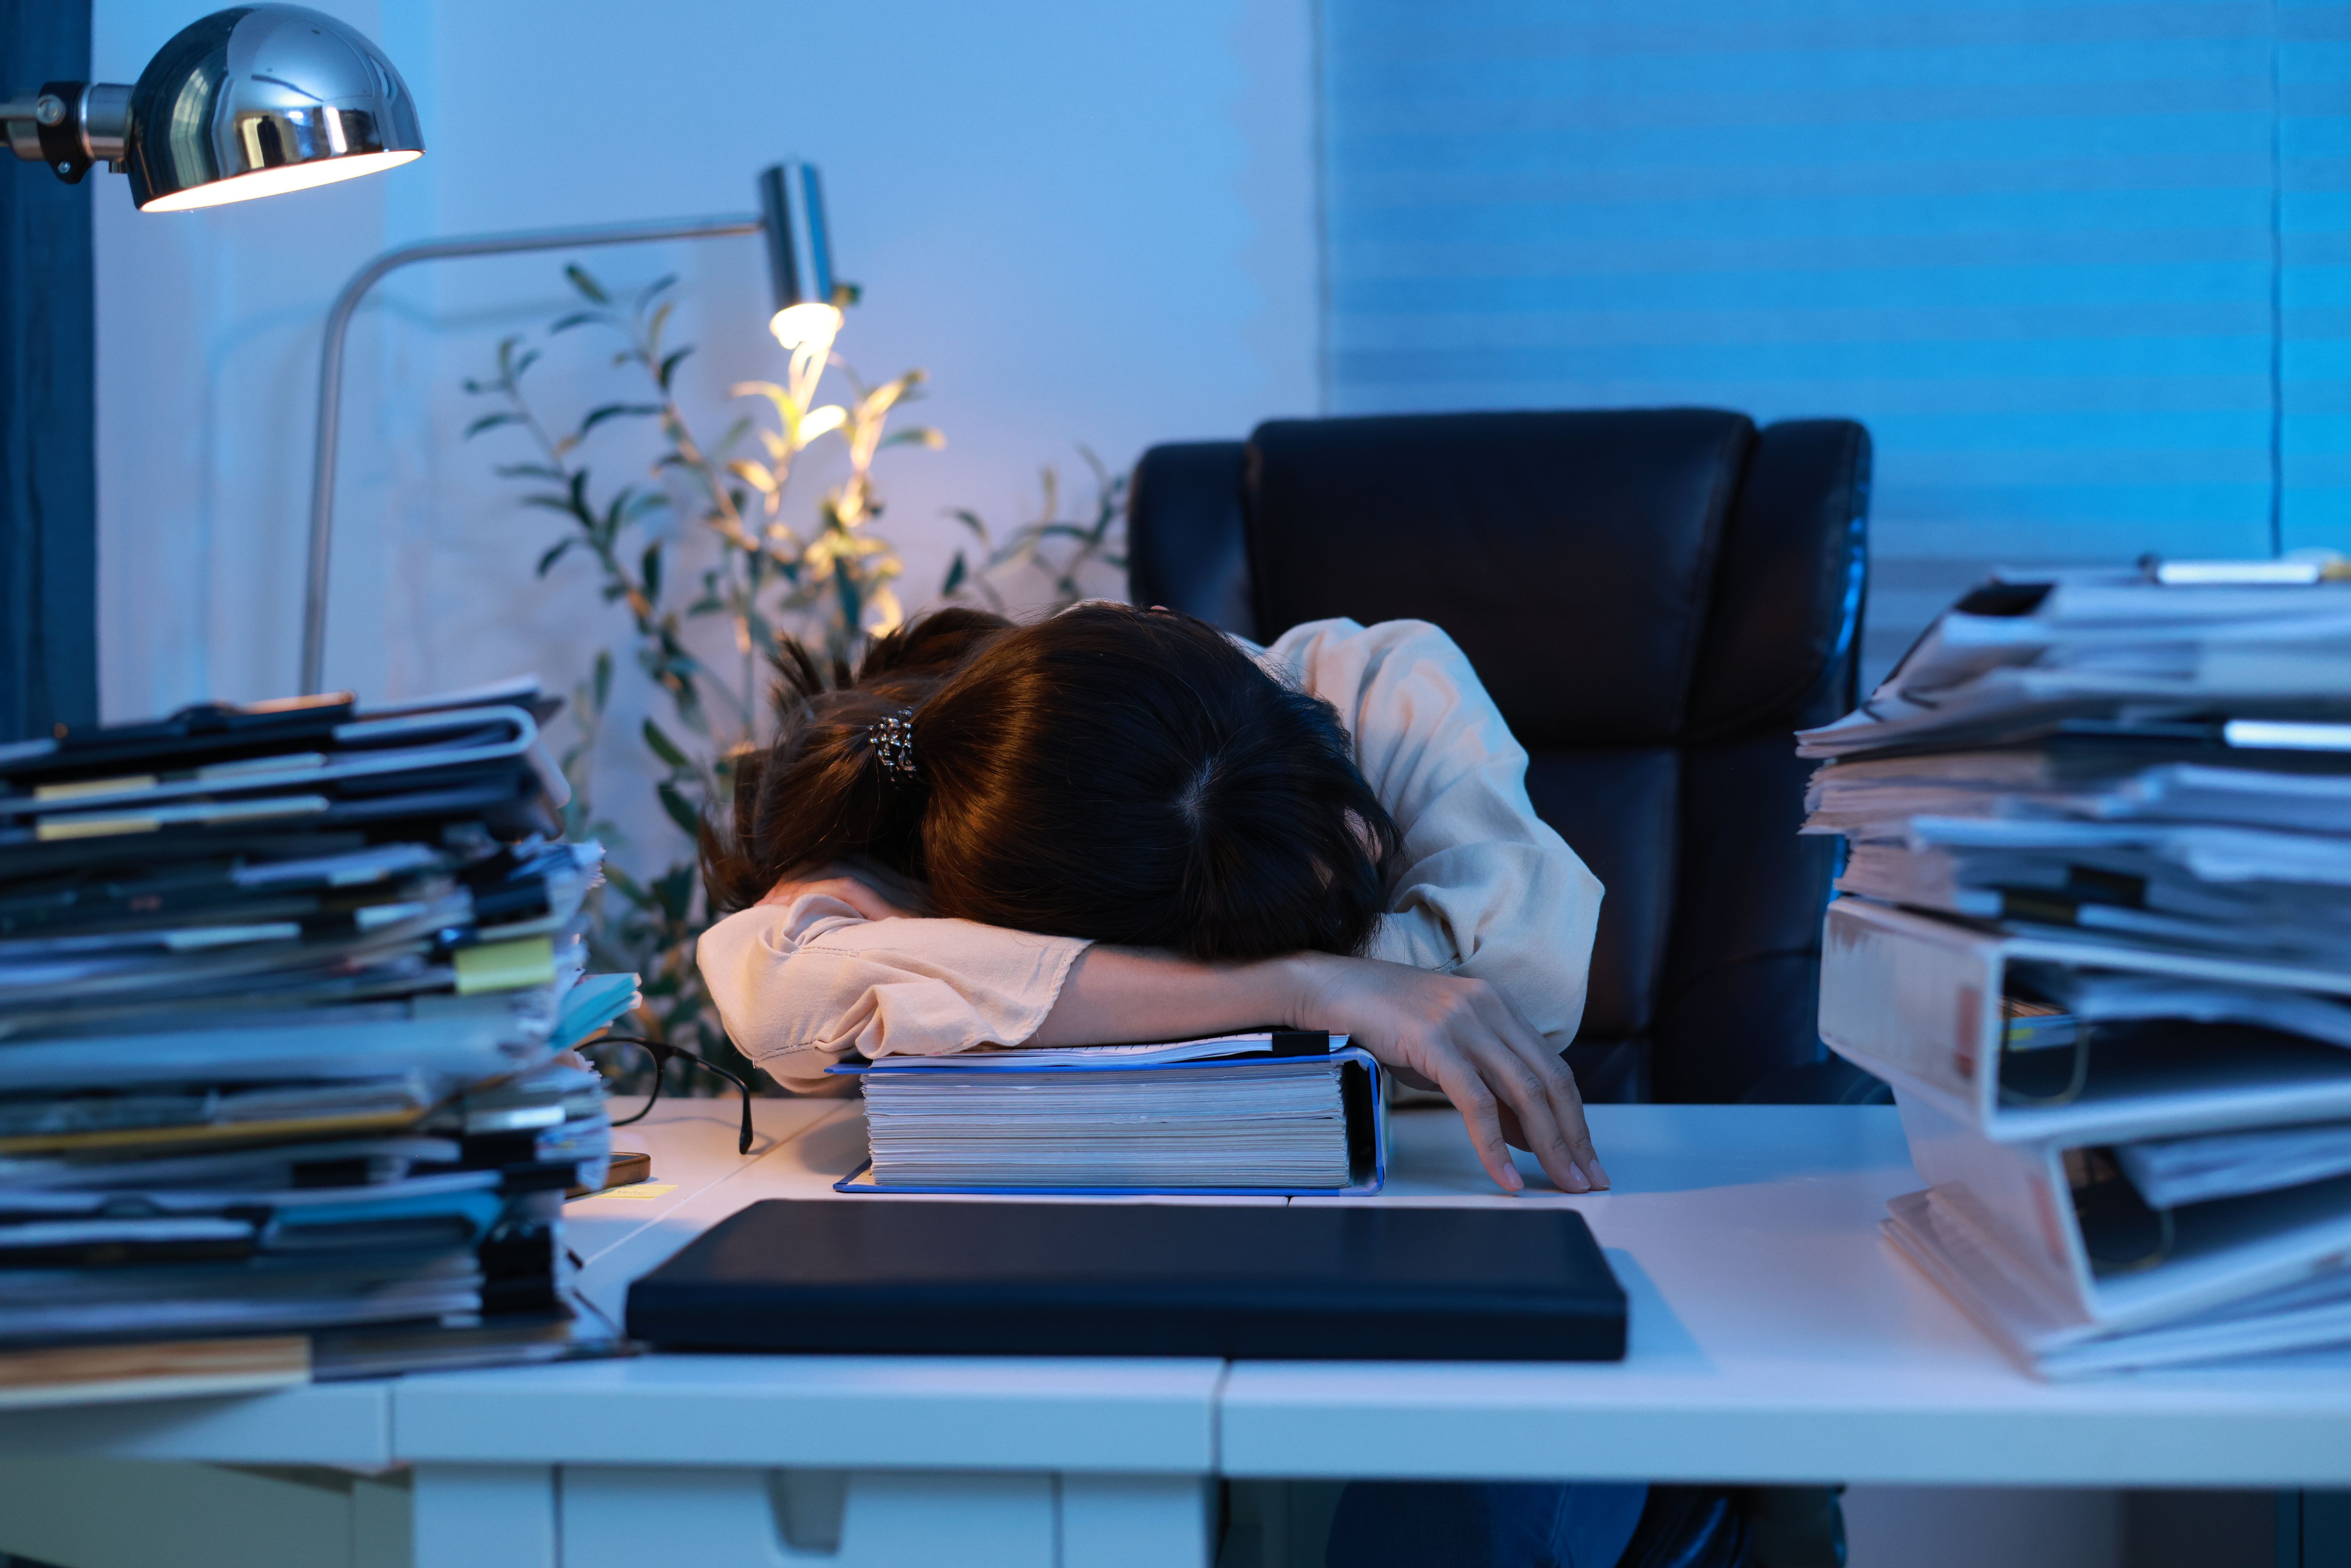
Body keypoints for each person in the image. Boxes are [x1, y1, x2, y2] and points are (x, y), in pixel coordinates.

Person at [697, 600, 1607, 1195]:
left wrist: (1090, 989)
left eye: (1336, 799)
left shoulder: (1381, 680)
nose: (1367, 844)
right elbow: (771, 991)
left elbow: (1524, 983)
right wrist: (1303, 989)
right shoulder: (947, 840)